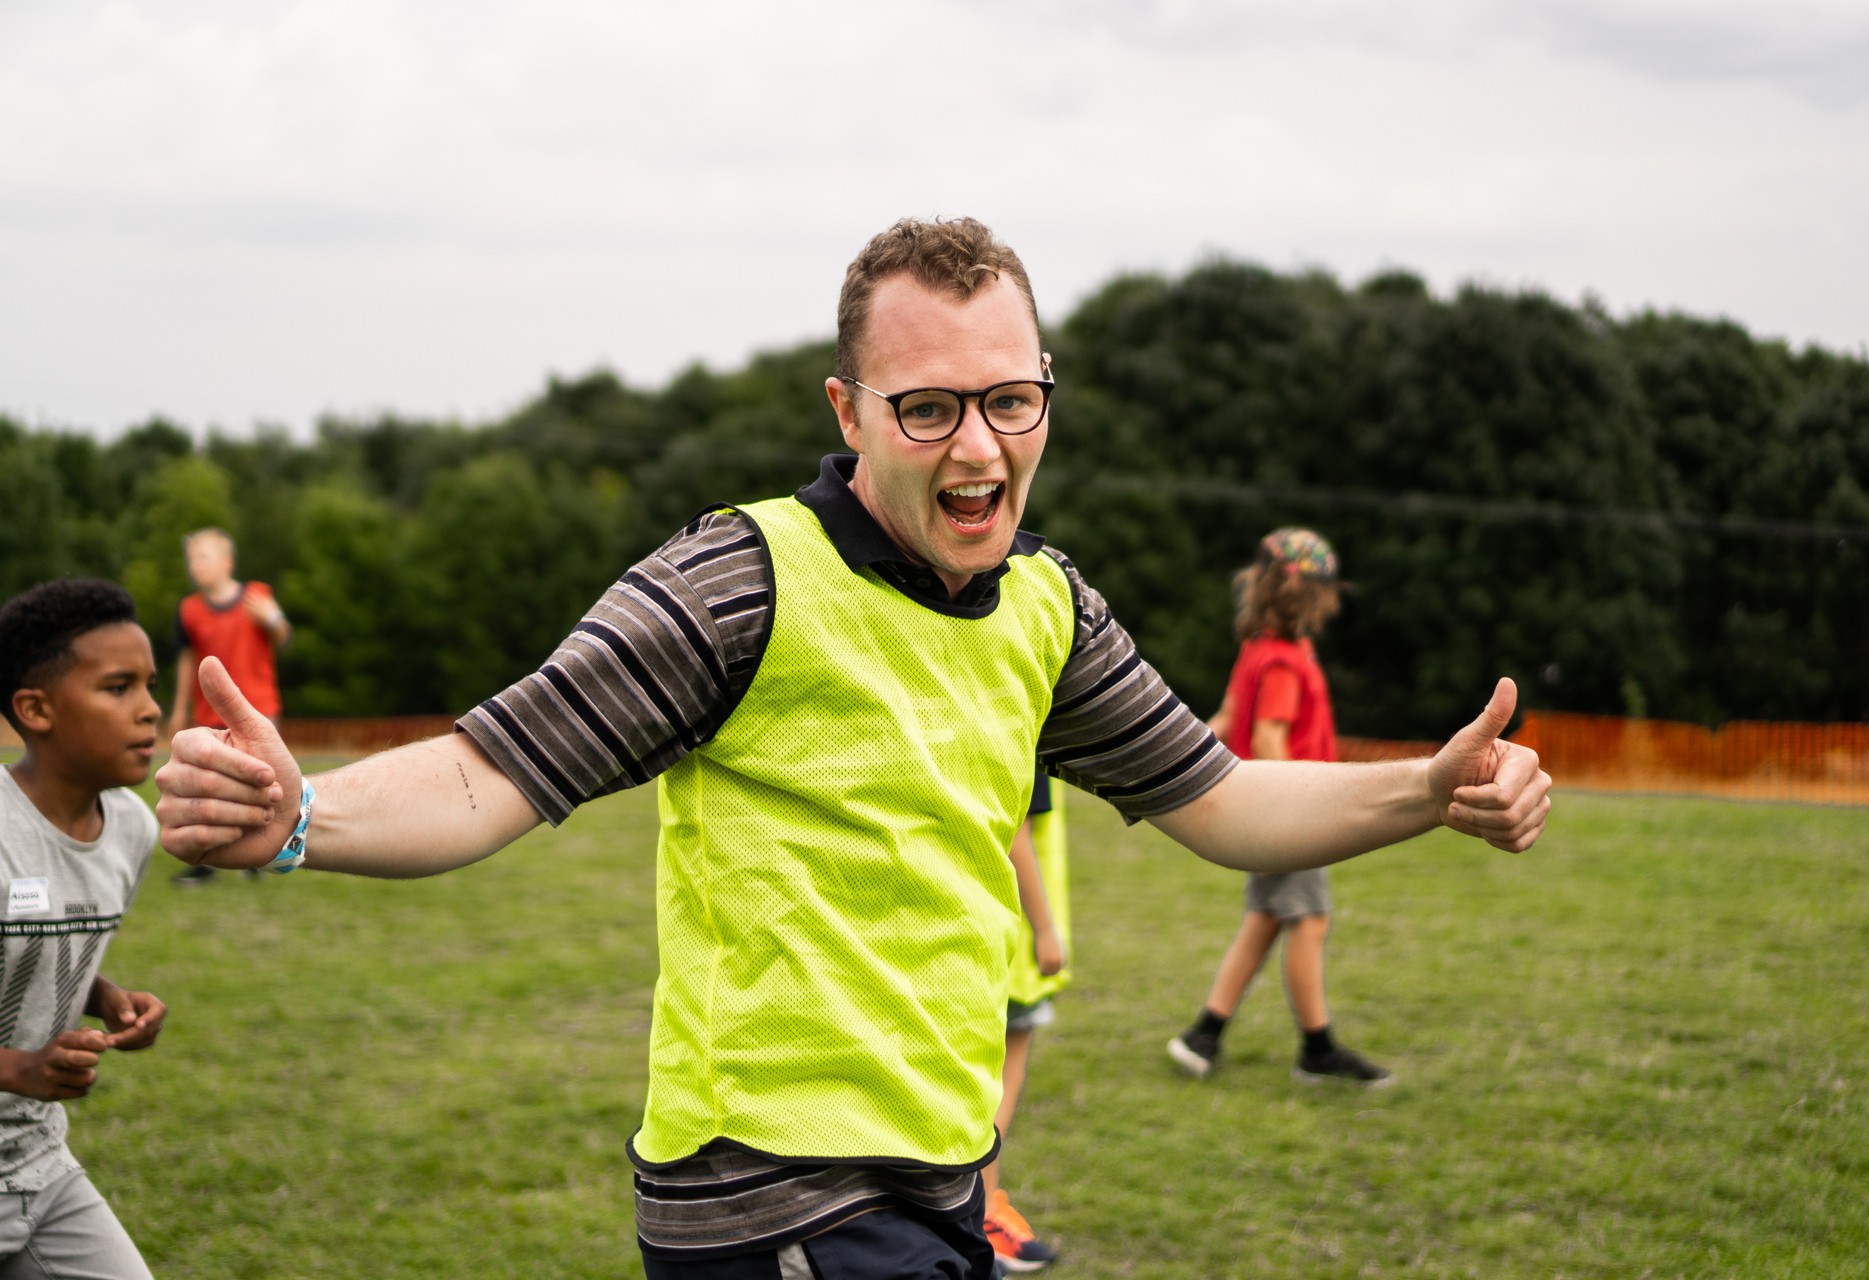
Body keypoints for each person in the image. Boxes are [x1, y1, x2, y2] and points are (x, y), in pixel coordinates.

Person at [155, 216, 1551, 1280]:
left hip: (941, 1174)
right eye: (927, 407)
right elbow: (488, 769)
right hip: (772, 1200)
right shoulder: (736, 584)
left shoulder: (1049, 611)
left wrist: (1424, 790)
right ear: (848, 412)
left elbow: (1227, 800)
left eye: (1012, 400)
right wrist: (302, 816)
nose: (979, 446)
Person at [1168, 528, 1389, 1086]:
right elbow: (1268, 737)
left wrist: (1169, 760)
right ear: (1316, 597)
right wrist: (1307, 808)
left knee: (1266, 920)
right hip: (1291, 812)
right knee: (1309, 921)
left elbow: (1224, 718)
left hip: (1261, 809)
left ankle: (1203, 1035)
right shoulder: (1285, 662)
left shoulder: (1257, 650)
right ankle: (1318, 1050)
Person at [0, 579, 173, 1279]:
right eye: (118, 688)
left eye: (150, 685)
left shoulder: (132, 827)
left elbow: (34, 942)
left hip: (37, 1169)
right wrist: (20, 1069)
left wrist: (107, 997)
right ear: (36, 709)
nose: (150, 710)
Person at [983, 760, 1069, 1273]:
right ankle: (986, 1216)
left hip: (973, 934)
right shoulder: (1026, 720)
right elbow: (1018, 833)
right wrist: (1046, 928)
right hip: (1011, 947)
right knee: (997, 1089)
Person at [167, 527, 291, 885]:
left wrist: (273, 619)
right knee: (207, 786)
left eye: (202, 557)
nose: (195, 566)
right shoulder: (188, 610)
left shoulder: (257, 596)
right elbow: (186, 660)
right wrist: (179, 709)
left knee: (259, 784)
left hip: (259, 709)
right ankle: (206, 860)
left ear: (227, 562)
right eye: (191, 559)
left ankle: (258, 856)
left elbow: (283, 635)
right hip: (208, 713)